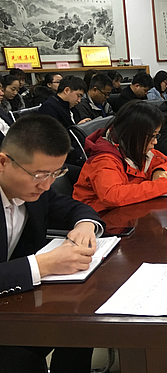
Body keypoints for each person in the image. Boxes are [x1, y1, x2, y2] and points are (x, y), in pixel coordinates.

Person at [0, 114, 104, 373]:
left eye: (56, 174)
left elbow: (74, 208)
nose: (47, 185)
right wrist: (42, 264)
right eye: (39, 175)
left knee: (82, 324)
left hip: (18, 302)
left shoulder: (37, 191)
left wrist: (85, 225)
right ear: (3, 162)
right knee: (21, 359)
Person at [73, 101, 167, 213]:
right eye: (152, 136)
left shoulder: (137, 148)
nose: (155, 142)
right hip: (99, 217)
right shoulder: (104, 159)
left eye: (156, 136)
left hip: (129, 211)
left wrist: (159, 171)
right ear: (134, 134)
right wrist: (162, 185)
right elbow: (113, 196)